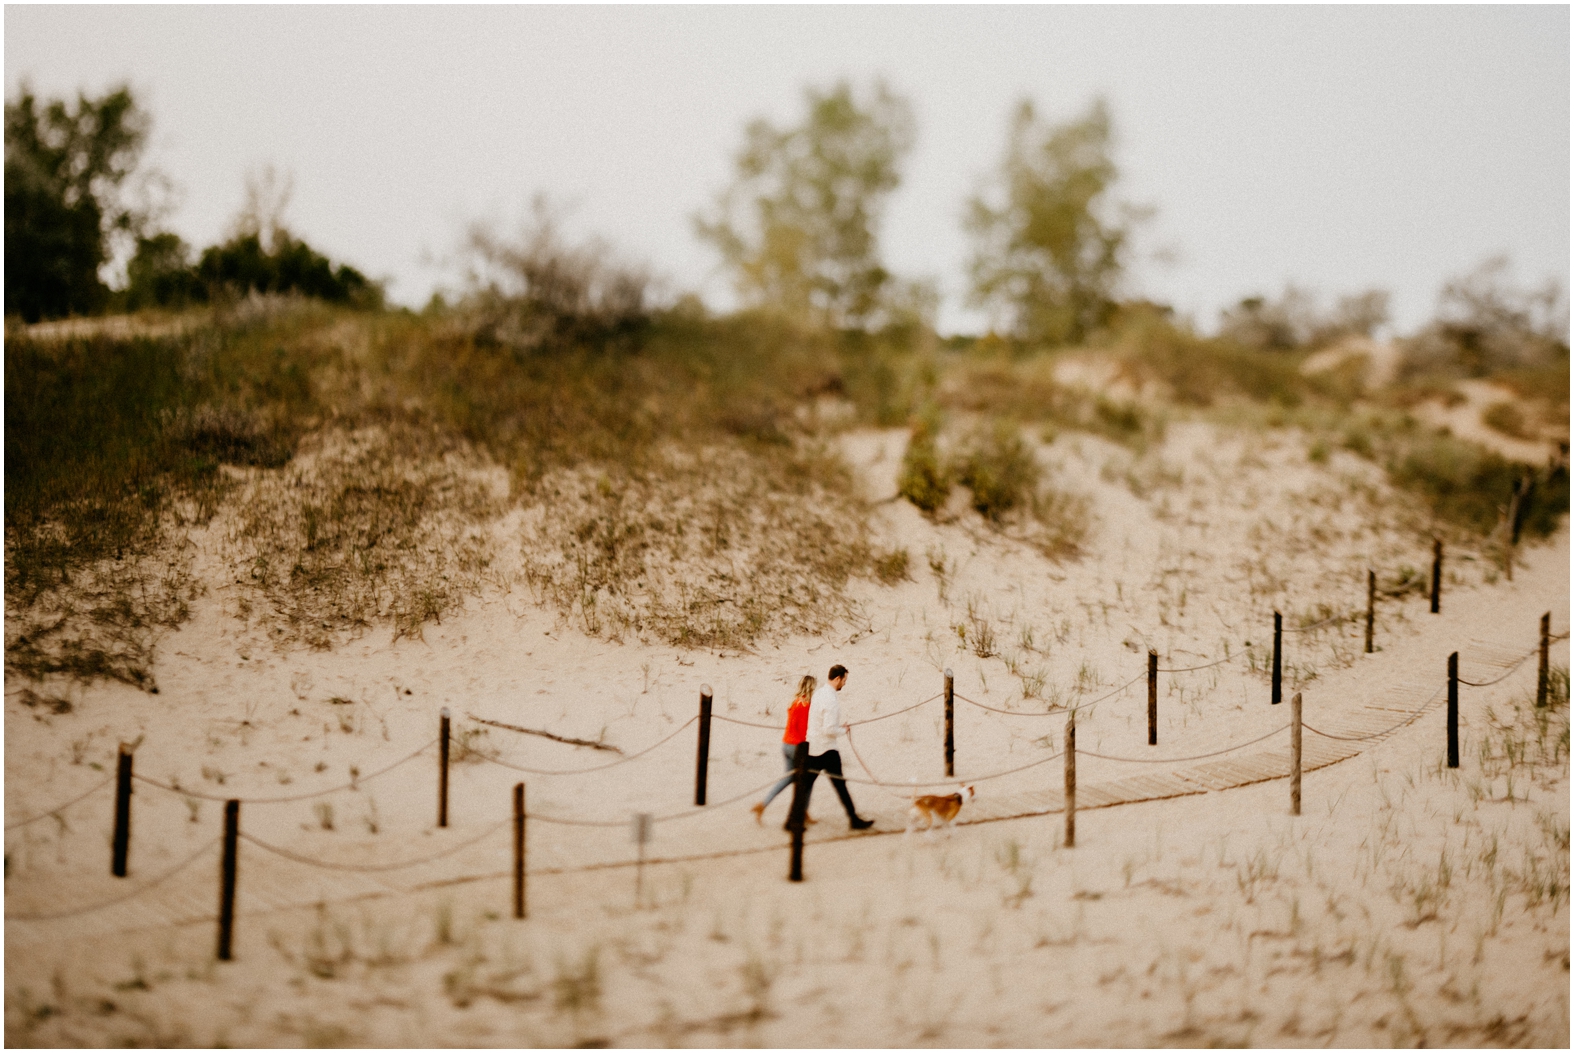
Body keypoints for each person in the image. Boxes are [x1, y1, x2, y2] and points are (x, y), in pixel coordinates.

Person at [800, 663, 874, 830]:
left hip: (813, 746)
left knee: (805, 785)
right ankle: (854, 820)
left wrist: (838, 727)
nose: (845, 684)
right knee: (840, 785)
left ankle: (792, 819)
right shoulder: (831, 699)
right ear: (838, 678)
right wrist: (843, 730)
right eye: (844, 680)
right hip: (826, 749)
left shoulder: (819, 693)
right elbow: (828, 729)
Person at [751, 675, 819, 825]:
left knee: (788, 778)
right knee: (807, 779)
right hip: (797, 747)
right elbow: (803, 730)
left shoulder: (794, 702)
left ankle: (763, 804)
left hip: (786, 744)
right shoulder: (806, 705)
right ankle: (803, 811)